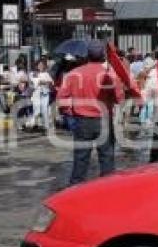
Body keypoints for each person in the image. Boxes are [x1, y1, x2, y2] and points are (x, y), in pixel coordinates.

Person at [57, 41, 124, 185]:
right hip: (104, 121)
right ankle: (108, 189)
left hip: (82, 121)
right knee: (106, 158)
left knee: (81, 159)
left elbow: (61, 99)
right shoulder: (109, 75)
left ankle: (75, 190)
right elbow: (119, 99)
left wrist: (70, 112)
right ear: (102, 56)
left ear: (87, 55)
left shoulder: (73, 74)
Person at [29, 59, 54, 130]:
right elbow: (33, 83)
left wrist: (43, 82)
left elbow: (51, 83)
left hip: (45, 93)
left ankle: (45, 125)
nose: (41, 66)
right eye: (39, 65)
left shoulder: (46, 74)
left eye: (42, 65)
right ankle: (32, 124)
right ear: (37, 66)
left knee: (45, 109)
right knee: (37, 109)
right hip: (36, 93)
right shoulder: (33, 74)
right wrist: (42, 82)